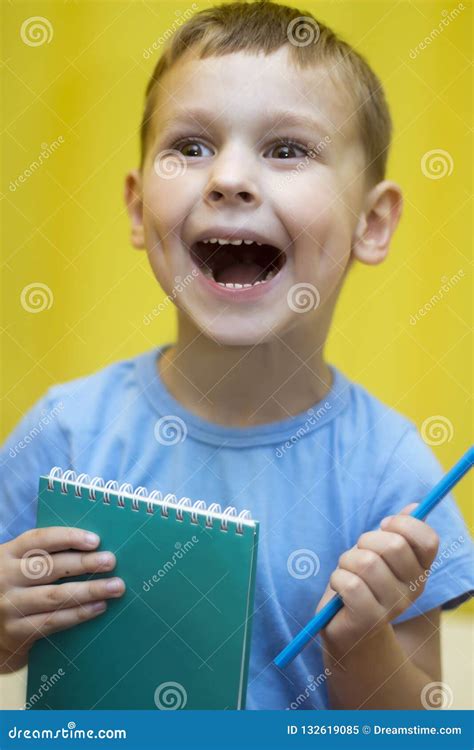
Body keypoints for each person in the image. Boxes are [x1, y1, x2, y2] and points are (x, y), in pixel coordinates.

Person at [1, 1, 472, 710]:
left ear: (371, 224)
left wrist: (359, 645)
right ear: (136, 209)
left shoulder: (388, 469)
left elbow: (417, 725)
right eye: (191, 146)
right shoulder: (63, 433)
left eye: (287, 149)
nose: (227, 177)